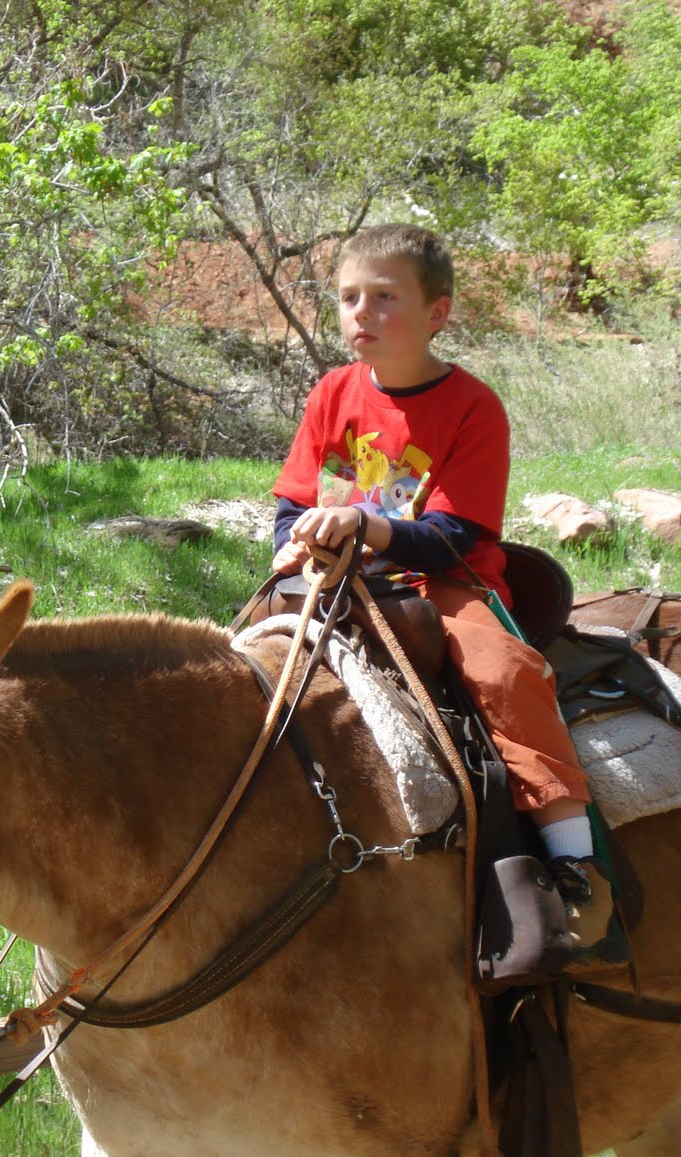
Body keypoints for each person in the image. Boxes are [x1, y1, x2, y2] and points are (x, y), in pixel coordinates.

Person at [270, 223, 622, 964]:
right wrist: (293, 549)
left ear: (438, 313)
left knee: (503, 674)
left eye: (384, 297)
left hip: (443, 579)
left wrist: (368, 527)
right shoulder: (332, 393)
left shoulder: (471, 407)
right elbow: (290, 507)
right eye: (348, 297)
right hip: (335, 576)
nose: (360, 313)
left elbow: (457, 533)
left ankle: (571, 858)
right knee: (242, 660)